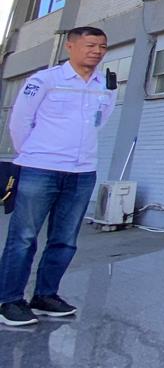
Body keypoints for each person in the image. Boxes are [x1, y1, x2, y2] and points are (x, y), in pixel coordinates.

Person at [1, 27, 115, 327]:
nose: (97, 51)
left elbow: (100, 121)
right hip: (40, 169)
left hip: (82, 172)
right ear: (70, 46)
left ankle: (45, 296)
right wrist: (35, 154)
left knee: (64, 240)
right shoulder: (45, 80)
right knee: (24, 238)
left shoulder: (105, 84)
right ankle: (8, 300)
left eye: (102, 46)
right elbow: (20, 122)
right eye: (90, 45)